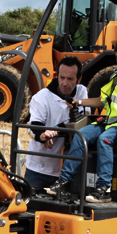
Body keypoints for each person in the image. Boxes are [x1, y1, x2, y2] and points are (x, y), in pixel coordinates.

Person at [45, 35, 117, 203]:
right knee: (80, 136)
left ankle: (104, 188)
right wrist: (78, 102)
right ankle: (64, 181)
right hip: (111, 122)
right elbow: (103, 100)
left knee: (104, 140)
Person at [24, 57, 87, 191]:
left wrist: (56, 130)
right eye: (62, 77)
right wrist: (44, 135)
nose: (64, 83)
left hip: (70, 170)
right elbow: (34, 127)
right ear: (56, 76)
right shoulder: (41, 98)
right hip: (39, 169)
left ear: (79, 79)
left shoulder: (82, 93)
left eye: (70, 79)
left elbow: (81, 122)